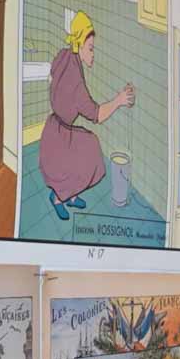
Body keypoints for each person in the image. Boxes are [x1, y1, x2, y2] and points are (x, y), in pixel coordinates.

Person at [39, 13, 137, 222]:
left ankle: (72, 196)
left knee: (88, 145)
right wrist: (119, 100)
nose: (93, 54)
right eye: (91, 48)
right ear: (80, 45)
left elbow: (52, 73)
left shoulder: (65, 55)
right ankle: (58, 198)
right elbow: (96, 114)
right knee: (88, 153)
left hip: (54, 126)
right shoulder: (76, 81)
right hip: (59, 135)